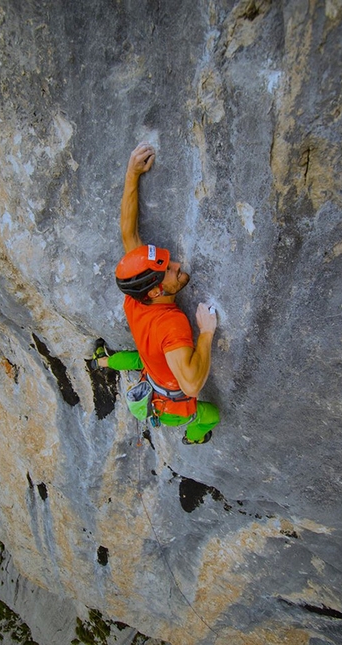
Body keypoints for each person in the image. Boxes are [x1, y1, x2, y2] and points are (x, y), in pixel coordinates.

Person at [91, 142, 219, 444]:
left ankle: (102, 361)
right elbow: (190, 385)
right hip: (169, 403)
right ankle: (195, 436)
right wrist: (206, 333)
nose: (176, 264)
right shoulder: (172, 323)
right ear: (157, 289)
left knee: (139, 358)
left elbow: (129, 231)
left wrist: (132, 174)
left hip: (152, 364)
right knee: (211, 414)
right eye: (170, 270)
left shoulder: (138, 293)